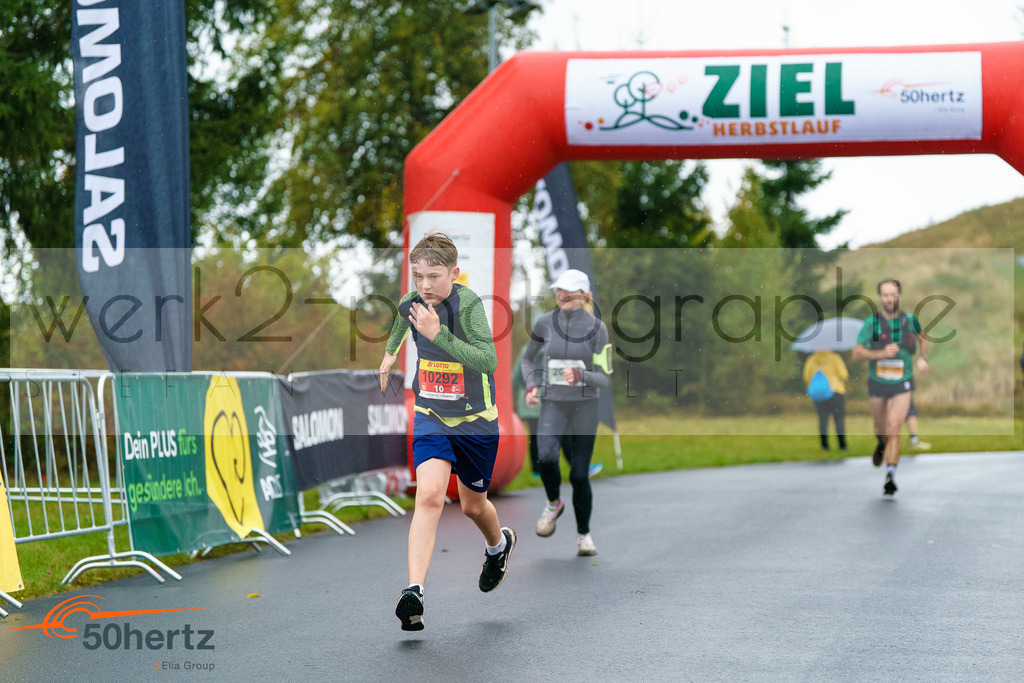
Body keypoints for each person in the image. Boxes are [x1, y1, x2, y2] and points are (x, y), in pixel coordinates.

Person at [379, 232, 515, 632]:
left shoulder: (468, 305)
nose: (425, 285)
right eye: (418, 276)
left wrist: (439, 335)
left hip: (475, 422)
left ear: (454, 274)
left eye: (434, 277)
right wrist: (388, 357)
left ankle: (498, 546)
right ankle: (414, 593)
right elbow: (401, 322)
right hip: (431, 415)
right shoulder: (412, 302)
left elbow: (487, 361)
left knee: (473, 506)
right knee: (431, 495)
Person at [520, 269, 611, 556]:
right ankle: (553, 503)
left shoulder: (598, 329)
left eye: (568, 290)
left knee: (580, 475)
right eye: (558, 289)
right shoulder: (545, 322)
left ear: (583, 295)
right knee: (545, 456)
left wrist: (580, 376)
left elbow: (605, 375)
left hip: (585, 405)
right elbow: (527, 358)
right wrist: (532, 384)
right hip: (554, 402)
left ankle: (584, 536)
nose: (561, 295)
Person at [852, 278, 929, 495]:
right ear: (880, 297)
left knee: (895, 426)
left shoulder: (909, 320)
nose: (889, 299)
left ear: (899, 296)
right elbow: (856, 353)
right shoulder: (871, 323)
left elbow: (923, 341)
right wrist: (880, 354)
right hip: (877, 383)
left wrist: (922, 358)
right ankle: (881, 443)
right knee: (881, 432)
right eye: (885, 295)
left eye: (893, 295)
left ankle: (890, 475)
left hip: (902, 383)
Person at [802, 349, 848, 451]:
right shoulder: (835, 358)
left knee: (823, 420)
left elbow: (806, 377)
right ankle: (842, 445)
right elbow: (844, 375)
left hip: (819, 395)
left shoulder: (811, 360)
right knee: (839, 420)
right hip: (836, 392)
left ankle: (824, 446)